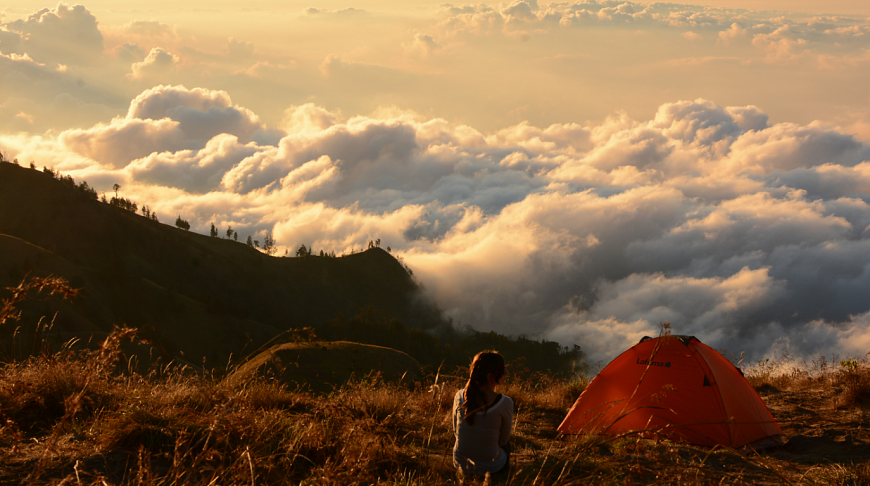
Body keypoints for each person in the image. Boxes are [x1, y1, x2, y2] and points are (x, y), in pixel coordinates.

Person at [452, 350, 514, 478]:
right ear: (490, 376)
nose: (506, 373)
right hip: (492, 468)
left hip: (461, 464)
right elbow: (503, 441)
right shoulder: (505, 403)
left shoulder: (459, 396)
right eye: (502, 370)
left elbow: (456, 431)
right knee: (507, 445)